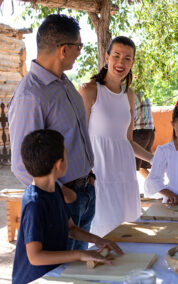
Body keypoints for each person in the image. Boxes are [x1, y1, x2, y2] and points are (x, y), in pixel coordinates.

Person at [8, 14, 95, 250]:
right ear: (64, 50)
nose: (80, 51)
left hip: (84, 192)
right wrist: (60, 192)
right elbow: (20, 164)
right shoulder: (30, 96)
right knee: (64, 273)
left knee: (80, 272)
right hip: (62, 200)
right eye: (79, 46)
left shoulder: (64, 83)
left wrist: (89, 178)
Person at [12, 129, 122, 284]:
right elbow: (35, 257)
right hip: (35, 279)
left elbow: (71, 229)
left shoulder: (55, 189)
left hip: (54, 273)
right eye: (66, 154)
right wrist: (79, 254)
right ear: (58, 164)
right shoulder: (34, 203)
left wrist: (98, 240)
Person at [80, 36, 153, 237]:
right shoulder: (89, 91)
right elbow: (80, 139)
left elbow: (127, 141)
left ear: (132, 63)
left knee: (126, 233)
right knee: (102, 233)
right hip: (99, 174)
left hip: (124, 174)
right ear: (107, 57)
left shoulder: (129, 95)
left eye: (127, 58)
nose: (121, 63)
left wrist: (155, 159)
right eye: (116, 56)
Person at [132, 91, 156, 178]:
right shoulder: (141, 91)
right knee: (142, 166)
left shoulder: (128, 93)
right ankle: (156, 188)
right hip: (150, 131)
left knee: (131, 167)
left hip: (139, 132)